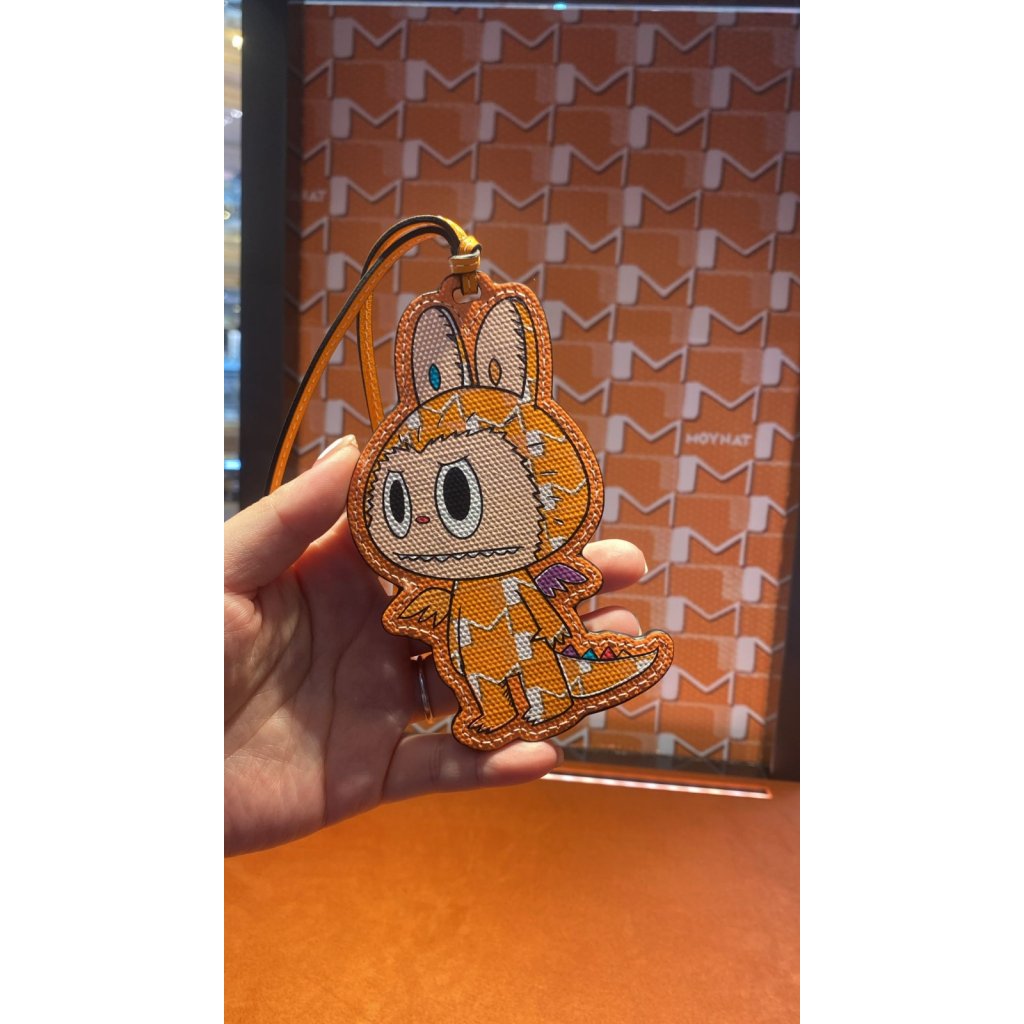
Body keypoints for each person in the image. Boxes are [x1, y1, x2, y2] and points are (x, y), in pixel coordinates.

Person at [225, 435, 650, 856]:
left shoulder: (516, 580)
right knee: (482, 680)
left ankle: (549, 697)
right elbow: (425, 611)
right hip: (473, 661)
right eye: (401, 502)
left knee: (536, 669)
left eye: (456, 494)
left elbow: (542, 613)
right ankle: (497, 709)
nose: (424, 518)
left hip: (533, 653)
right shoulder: (442, 586)